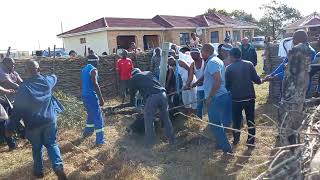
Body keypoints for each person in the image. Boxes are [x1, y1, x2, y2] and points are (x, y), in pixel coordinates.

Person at [5, 60, 67, 179]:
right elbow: (54, 77)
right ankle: (58, 167)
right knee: (52, 144)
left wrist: (10, 128)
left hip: (33, 124)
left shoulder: (23, 87)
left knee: (37, 147)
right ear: (38, 70)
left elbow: (17, 111)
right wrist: (53, 74)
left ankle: (39, 172)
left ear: (26, 71)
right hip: (50, 121)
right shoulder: (47, 81)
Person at [128, 68, 175, 147]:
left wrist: (133, 104)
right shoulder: (148, 72)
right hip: (163, 94)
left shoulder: (134, 78)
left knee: (148, 120)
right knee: (166, 119)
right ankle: (172, 141)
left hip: (152, 97)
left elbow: (132, 94)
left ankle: (149, 144)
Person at [225, 48, 262, 148]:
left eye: (229, 56)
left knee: (236, 121)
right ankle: (251, 142)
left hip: (236, 99)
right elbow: (257, 80)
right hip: (250, 98)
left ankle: (236, 140)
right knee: (250, 120)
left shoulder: (229, 68)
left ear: (232, 56)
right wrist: (263, 79)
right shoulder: (249, 64)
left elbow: (227, 86)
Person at [202, 43, 232, 153]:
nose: (201, 55)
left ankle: (227, 150)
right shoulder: (218, 61)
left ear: (207, 52)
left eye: (202, 52)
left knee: (215, 125)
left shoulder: (212, 62)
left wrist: (210, 96)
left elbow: (218, 81)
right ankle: (220, 144)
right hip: (222, 96)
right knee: (219, 123)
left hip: (216, 97)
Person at [81, 54, 105, 146]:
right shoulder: (93, 70)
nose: (98, 62)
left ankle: (87, 132)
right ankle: (100, 141)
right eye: (97, 61)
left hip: (84, 95)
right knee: (98, 117)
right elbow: (95, 84)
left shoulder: (84, 69)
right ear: (94, 61)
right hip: (91, 96)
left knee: (91, 114)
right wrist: (101, 98)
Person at [186, 48, 205, 119]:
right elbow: (190, 77)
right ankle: (199, 119)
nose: (192, 57)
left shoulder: (205, 62)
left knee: (210, 104)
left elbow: (205, 75)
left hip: (208, 86)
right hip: (200, 87)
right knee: (199, 104)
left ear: (198, 54)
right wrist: (187, 84)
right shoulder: (192, 64)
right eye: (191, 55)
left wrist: (196, 83)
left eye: (193, 55)